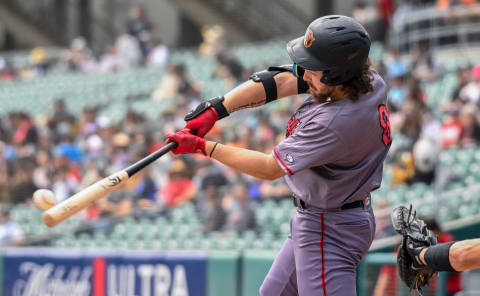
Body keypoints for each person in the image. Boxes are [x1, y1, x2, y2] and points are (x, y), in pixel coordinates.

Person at [166, 15, 391, 295]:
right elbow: (283, 80)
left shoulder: (335, 123)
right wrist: (218, 109)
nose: (303, 73)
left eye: (313, 68)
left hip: (330, 227)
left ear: (337, 74)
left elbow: (269, 167)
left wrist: (203, 147)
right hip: (326, 216)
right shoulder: (366, 79)